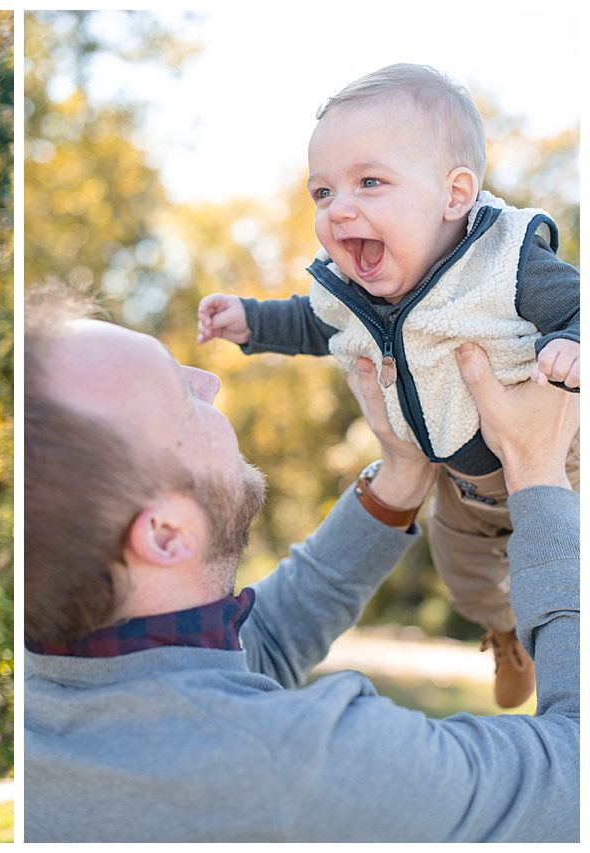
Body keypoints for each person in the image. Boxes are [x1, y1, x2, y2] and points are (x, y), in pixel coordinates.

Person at [22, 293, 579, 841]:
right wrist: (537, 473)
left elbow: (257, 647)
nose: (208, 383)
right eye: (177, 393)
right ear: (166, 534)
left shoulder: (48, 697)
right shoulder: (308, 769)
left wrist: (400, 479)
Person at [195, 63, 581, 706]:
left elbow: (577, 304)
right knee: (465, 575)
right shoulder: (353, 294)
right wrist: (251, 321)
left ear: (455, 195)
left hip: (557, 455)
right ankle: (505, 633)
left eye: (369, 182)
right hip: (460, 484)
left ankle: (563, 655)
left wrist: (570, 343)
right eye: (322, 193)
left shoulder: (505, 261)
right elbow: (310, 323)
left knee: (570, 562)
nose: (338, 208)